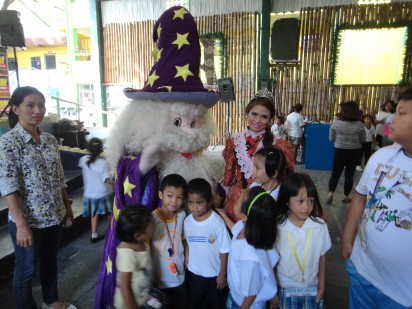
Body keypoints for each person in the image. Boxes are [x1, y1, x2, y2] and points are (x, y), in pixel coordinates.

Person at [0, 86, 76, 309]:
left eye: (41, 104)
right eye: (30, 105)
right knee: (26, 268)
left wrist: (67, 205)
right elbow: (8, 186)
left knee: (50, 261)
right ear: (16, 109)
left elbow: (59, 176)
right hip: (29, 221)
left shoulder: (50, 139)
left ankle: (51, 300)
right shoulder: (9, 143)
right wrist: (21, 224)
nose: (37, 110)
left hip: (55, 214)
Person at [341, 88, 412, 309]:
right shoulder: (382, 156)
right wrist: (347, 237)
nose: (391, 118)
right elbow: (361, 198)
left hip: (402, 294)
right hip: (363, 272)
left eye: (401, 113)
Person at [221, 88, 294, 222]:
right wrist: (223, 195)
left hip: (266, 200)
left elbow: (286, 176)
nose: (258, 120)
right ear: (246, 114)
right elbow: (228, 173)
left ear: (270, 119)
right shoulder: (234, 141)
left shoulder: (280, 145)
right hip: (238, 200)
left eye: (264, 117)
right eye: (254, 114)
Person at [272, 173, 331, 309]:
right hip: (285, 289)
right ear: (287, 200)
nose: (306, 207)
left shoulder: (320, 226)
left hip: (312, 288)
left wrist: (322, 288)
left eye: (310, 201)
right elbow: (272, 262)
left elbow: (322, 258)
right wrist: (273, 292)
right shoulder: (278, 227)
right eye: (300, 201)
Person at [225, 186, 279, 308]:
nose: (236, 200)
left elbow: (251, 294)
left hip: (246, 303)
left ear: (244, 216)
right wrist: (224, 216)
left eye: (238, 200)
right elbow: (235, 229)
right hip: (236, 294)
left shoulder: (250, 257)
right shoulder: (248, 229)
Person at [184, 178, 231, 309]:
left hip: (214, 275)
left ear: (209, 201)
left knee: (214, 304)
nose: (194, 207)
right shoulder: (187, 222)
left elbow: (225, 249)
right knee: (196, 303)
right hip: (195, 273)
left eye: (199, 203)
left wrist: (222, 274)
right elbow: (188, 242)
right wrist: (187, 257)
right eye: (191, 203)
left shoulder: (216, 221)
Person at [151, 174, 187, 308]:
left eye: (179, 197)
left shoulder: (182, 215)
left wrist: (187, 256)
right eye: (169, 195)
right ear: (160, 195)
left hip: (179, 277)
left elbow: (183, 238)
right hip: (159, 280)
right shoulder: (152, 219)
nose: (174, 201)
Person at [114, 205, 154, 308]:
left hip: (143, 297)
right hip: (130, 304)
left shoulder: (140, 242)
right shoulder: (127, 254)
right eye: (149, 221)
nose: (153, 221)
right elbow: (125, 287)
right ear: (137, 235)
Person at [326, 101, 365, 204]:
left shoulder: (336, 124)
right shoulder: (360, 125)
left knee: (335, 174)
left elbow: (331, 138)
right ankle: (346, 196)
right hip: (354, 152)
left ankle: (330, 193)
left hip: (339, 151)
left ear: (344, 111)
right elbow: (363, 139)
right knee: (349, 175)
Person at [78, 137, 114, 243]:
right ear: (101, 150)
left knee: (94, 214)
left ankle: (94, 234)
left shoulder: (83, 159)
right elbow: (106, 180)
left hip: (89, 194)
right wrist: (119, 183)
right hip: (102, 193)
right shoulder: (102, 163)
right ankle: (115, 232)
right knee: (110, 213)